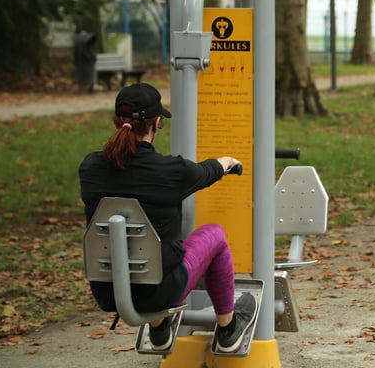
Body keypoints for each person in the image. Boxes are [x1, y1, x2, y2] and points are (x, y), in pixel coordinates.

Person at [79, 82, 255, 353]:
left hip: (108, 290)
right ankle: (229, 330)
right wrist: (228, 161)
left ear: (117, 121)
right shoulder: (170, 172)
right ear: (157, 123)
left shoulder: (90, 168)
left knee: (157, 254)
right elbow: (209, 170)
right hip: (163, 290)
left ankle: (160, 330)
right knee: (214, 236)